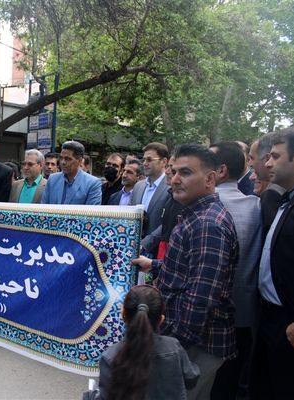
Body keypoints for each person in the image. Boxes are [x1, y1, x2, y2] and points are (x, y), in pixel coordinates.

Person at [132, 144, 238, 400]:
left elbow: (201, 298)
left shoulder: (207, 224)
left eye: (186, 172)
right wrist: (155, 266)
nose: (175, 179)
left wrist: (168, 345)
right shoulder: (195, 214)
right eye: (174, 171)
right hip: (188, 341)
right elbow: (189, 273)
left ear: (211, 178)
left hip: (197, 344)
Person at [250, 127, 294, 400]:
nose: (267, 163)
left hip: (291, 325)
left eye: (276, 156)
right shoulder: (287, 200)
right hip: (270, 318)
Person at [209, 142, 262, 400]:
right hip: (244, 312)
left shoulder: (202, 205)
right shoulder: (256, 206)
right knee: (229, 382)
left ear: (219, 170)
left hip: (207, 314)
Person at [96, 285, 199, 400]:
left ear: (123, 315)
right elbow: (191, 378)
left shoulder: (111, 356)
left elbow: (106, 396)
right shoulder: (174, 347)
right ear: (161, 319)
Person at [129, 142, 171, 257]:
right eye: (144, 160)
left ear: (164, 161)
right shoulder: (138, 186)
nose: (145, 164)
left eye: (149, 160)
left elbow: (167, 223)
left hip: (157, 254)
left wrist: (145, 244)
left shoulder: (171, 188)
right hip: (133, 249)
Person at [41, 140, 101, 205]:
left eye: (67, 159)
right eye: (61, 158)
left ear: (80, 161)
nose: (63, 162)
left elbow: (91, 213)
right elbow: (44, 208)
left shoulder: (92, 183)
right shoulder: (53, 179)